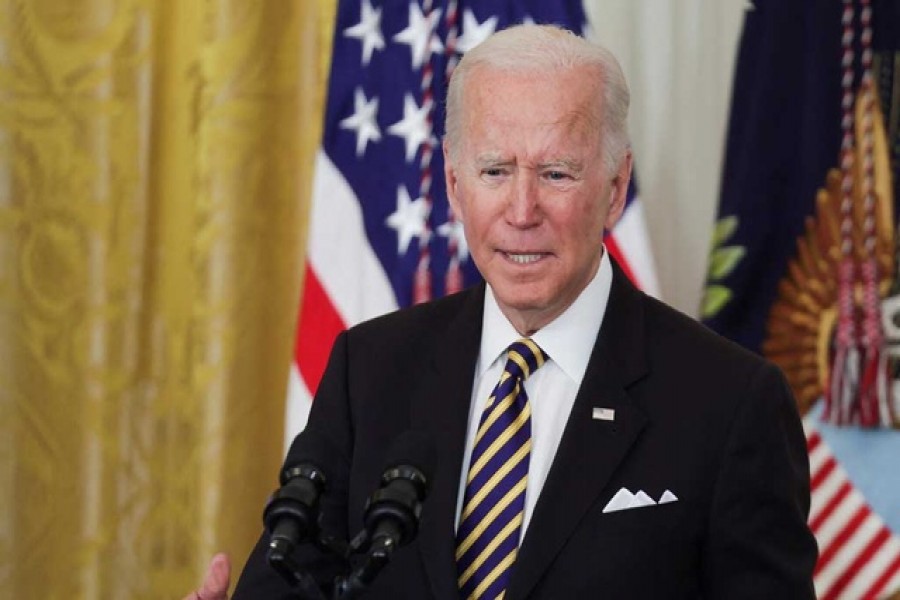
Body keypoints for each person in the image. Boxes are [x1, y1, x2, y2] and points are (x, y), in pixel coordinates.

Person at [184, 24, 817, 600]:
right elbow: (296, 583)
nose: (521, 211)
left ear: (615, 188)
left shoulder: (732, 402)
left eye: (557, 174)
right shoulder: (369, 368)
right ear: (456, 188)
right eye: (494, 171)